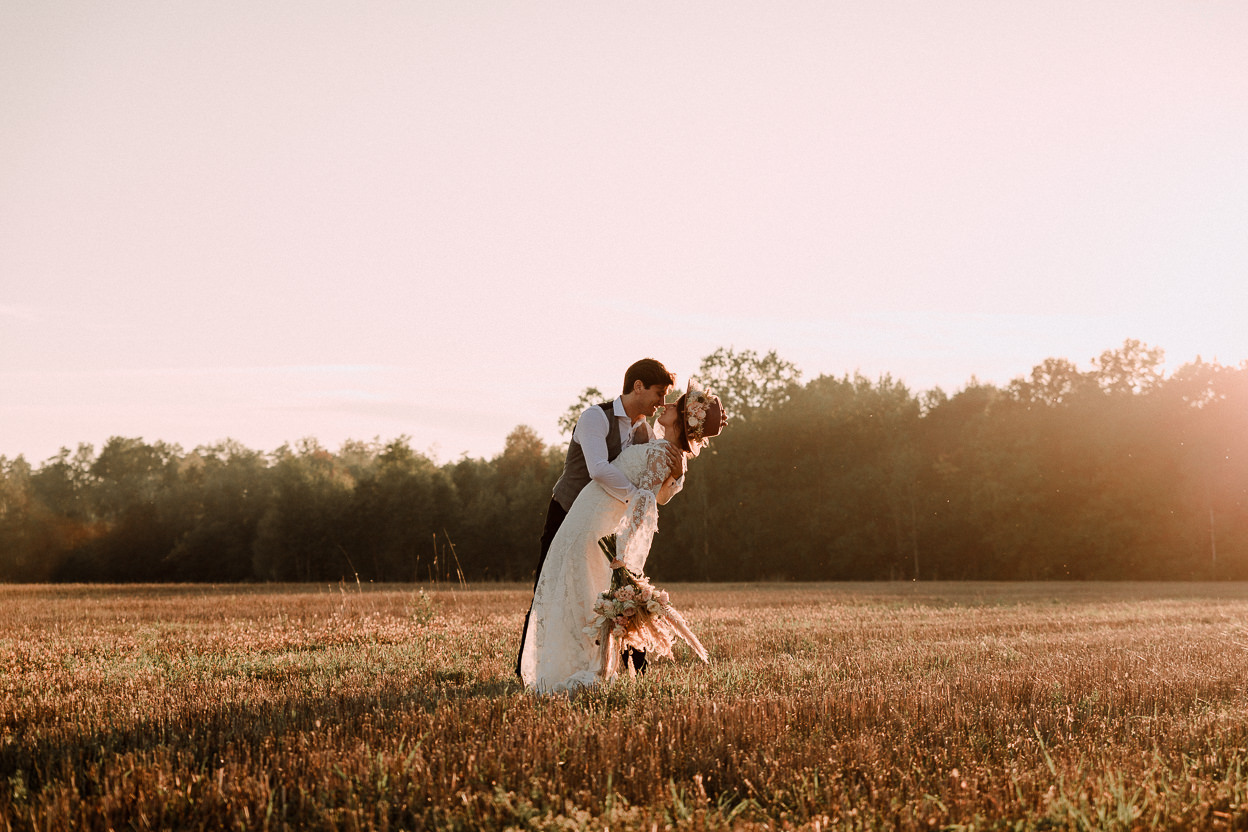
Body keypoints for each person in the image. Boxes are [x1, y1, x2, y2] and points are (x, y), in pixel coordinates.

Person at [518, 381, 726, 693]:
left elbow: (646, 505)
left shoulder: (662, 452)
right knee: (573, 592)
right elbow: (650, 494)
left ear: (683, 421)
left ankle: (583, 669)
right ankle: (569, 664)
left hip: (594, 524)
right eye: (663, 397)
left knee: (581, 593)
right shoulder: (652, 442)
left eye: (673, 405)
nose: (665, 405)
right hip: (584, 516)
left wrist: (624, 553)